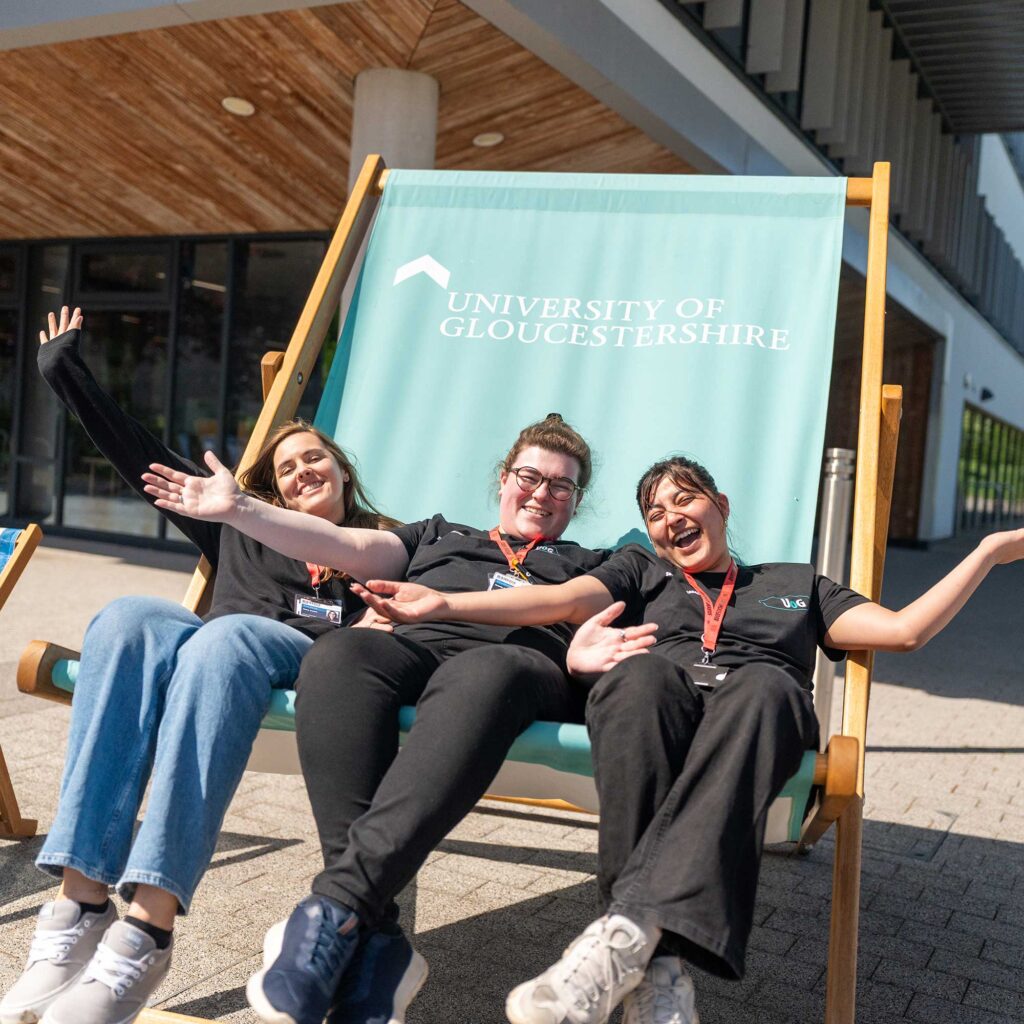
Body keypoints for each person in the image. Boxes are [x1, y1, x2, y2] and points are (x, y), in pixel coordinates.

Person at [346, 453, 1024, 1024]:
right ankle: (657, 970)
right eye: (655, 512)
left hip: (754, 719)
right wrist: (444, 604)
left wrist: (990, 553)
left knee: (766, 686)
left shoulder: (796, 584)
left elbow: (905, 631)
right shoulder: (641, 570)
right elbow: (556, 601)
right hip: (652, 710)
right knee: (639, 679)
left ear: (720, 504)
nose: (670, 518)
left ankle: (624, 938)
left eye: (684, 499)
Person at [141, 414, 651, 1024]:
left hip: (521, 668)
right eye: (529, 477)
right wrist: (242, 510)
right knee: (340, 652)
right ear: (503, 479)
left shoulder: (604, 558)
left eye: (561, 487)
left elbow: (572, 603)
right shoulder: (438, 534)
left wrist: (447, 603)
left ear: (577, 500)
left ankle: (337, 904)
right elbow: (348, 547)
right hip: (417, 651)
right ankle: (378, 940)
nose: (542, 493)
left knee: (483, 671)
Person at [0, 307, 395, 1024]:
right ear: (270, 490)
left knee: (227, 635)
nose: (302, 470)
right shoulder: (243, 522)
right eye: (285, 468)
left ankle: (146, 931)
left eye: (315, 457)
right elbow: (137, 453)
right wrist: (65, 374)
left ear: (344, 470)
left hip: (301, 664)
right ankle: (77, 909)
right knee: (127, 617)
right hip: (218, 659)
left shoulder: (384, 542)